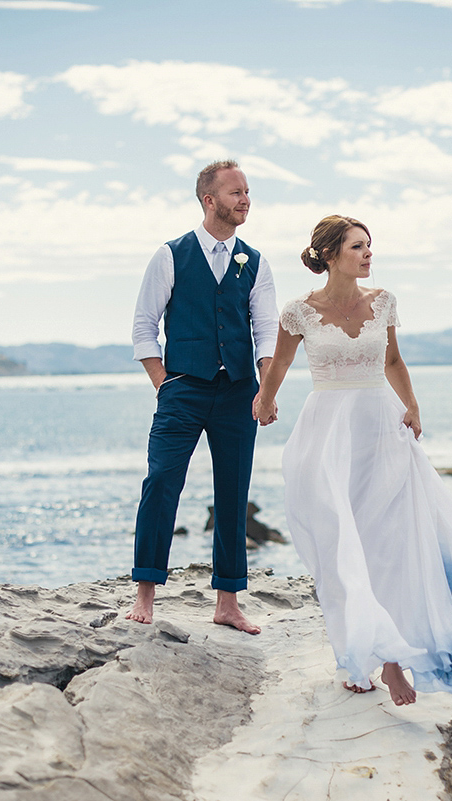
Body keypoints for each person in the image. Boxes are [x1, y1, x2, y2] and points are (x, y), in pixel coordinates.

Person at [253, 215, 452, 729]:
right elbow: (282, 366)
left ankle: (395, 661)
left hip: (382, 431)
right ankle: (353, 653)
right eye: (358, 247)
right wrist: (265, 400)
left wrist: (413, 406)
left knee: (391, 546)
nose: (368, 254)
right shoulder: (298, 312)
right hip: (328, 436)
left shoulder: (384, 302)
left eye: (369, 246)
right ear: (330, 254)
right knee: (340, 550)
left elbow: (394, 360)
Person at [127, 160, 278, 634]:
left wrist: (266, 391)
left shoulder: (255, 261)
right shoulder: (171, 256)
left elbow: (267, 331)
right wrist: (163, 384)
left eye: (248, 191)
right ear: (209, 200)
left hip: (238, 392)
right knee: (161, 484)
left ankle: (228, 602)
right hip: (182, 390)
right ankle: (145, 593)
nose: (245, 199)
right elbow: (143, 328)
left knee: (233, 493)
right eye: (236, 192)